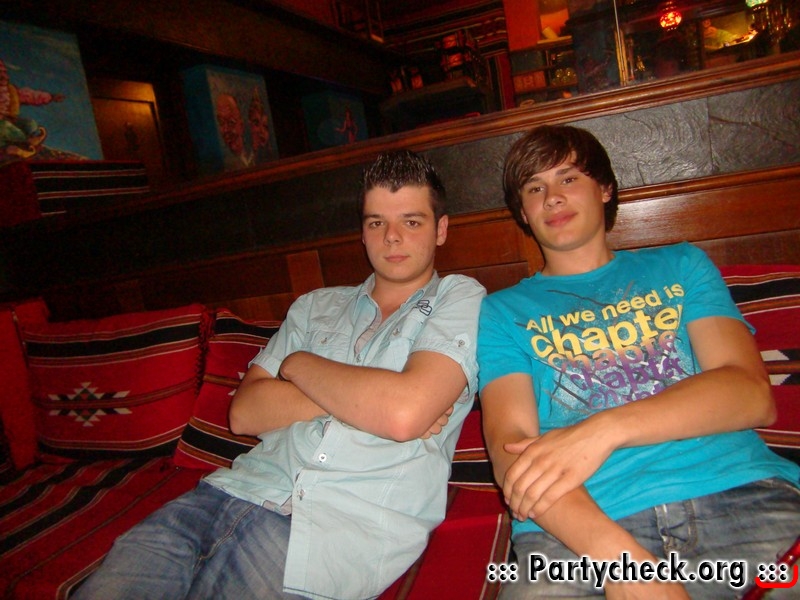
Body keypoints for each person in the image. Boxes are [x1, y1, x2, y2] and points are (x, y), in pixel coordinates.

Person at [75, 150, 485, 600]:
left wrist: (299, 365)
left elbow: (403, 415)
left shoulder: (460, 298)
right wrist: (370, 401)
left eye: (411, 221)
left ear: (440, 229)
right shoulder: (314, 306)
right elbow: (245, 413)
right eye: (376, 222)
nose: (391, 237)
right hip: (221, 495)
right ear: (362, 233)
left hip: (329, 532)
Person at [477, 124, 800, 599]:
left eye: (568, 178)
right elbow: (511, 454)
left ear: (605, 189)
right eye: (534, 187)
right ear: (523, 213)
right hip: (581, 532)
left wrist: (601, 431)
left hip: (738, 493)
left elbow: (750, 393)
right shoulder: (501, 312)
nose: (552, 197)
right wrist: (619, 561)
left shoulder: (681, 266)